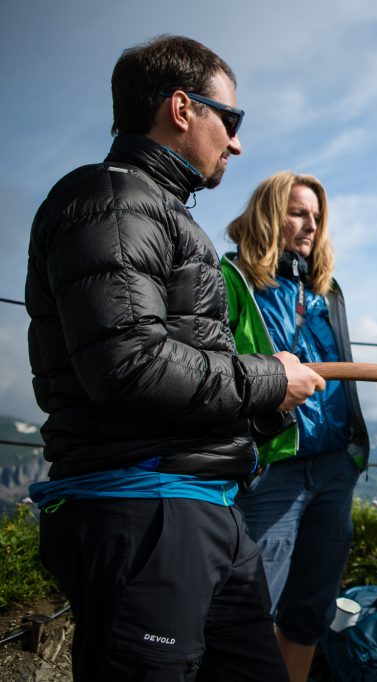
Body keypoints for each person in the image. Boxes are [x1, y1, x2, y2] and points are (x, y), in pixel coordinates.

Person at [25, 35, 324, 681]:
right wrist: (270, 377)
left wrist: (268, 396)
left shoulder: (153, 209)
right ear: (183, 108)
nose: (237, 143)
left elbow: (174, 361)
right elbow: (127, 364)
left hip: (201, 509)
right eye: (232, 120)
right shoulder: (111, 199)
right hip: (143, 514)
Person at [221, 171, 370, 681]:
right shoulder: (231, 279)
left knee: (310, 609)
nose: (310, 225)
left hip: (333, 467)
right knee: (250, 607)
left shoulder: (328, 292)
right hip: (273, 468)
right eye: (297, 212)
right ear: (268, 213)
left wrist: (351, 450)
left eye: (316, 216)